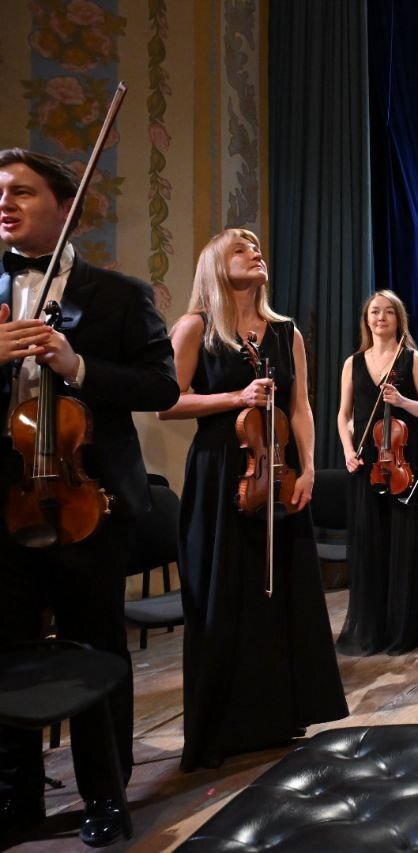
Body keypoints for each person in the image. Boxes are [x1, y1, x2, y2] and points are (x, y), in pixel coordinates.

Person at [0, 149, 180, 847]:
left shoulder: (118, 294)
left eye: (22, 191)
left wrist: (77, 366)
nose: (5, 203)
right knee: (8, 652)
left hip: (89, 503)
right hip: (5, 506)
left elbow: (160, 386)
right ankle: (14, 798)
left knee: (98, 649)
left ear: (64, 204)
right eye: (0, 193)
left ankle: (106, 793)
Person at [161, 228, 348, 772]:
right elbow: (166, 402)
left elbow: (301, 406)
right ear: (215, 265)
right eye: (240, 248)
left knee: (280, 595)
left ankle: (279, 719)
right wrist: (234, 397)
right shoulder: (195, 327)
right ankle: (219, 731)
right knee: (223, 595)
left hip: (278, 471)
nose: (255, 252)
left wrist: (308, 466)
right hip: (220, 470)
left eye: (257, 246)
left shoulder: (286, 333)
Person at [335, 290, 418, 655]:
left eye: (388, 312)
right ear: (367, 320)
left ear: (398, 319)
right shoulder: (353, 363)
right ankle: (371, 630)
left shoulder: (412, 359)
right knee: (370, 547)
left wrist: (403, 401)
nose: (380, 317)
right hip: (365, 464)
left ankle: (402, 630)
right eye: (374, 312)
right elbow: (344, 415)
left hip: (402, 465)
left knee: (402, 546)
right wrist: (348, 451)